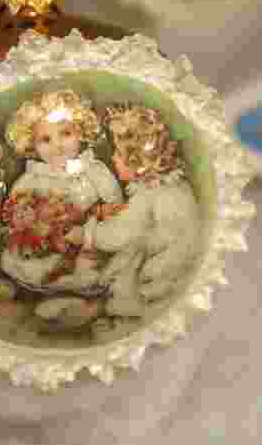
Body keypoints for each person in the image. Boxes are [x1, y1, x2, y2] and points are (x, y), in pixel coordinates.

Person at [68, 104, 204, 316]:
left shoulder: (151, 194)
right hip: (166, 252)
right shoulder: (168, 185)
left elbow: (119, 235)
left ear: (137, 161)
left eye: (118, 154)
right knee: (125, 260)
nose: (113, 159)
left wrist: (86, 234)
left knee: (122, 282)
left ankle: (119, 310)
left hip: (164, 269)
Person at [0, 89, 123, 294]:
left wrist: (97, 219)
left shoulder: (93, 169)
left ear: (81, 132)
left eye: (65, 134)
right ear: (31, 144)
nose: (57, 146)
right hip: (46, 243)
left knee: (91, 263)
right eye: (45, 140)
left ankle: (81, 277)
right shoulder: (34, 176)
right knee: (30, 262)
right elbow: (16, 206)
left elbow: (115, 203)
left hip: (86, 240)